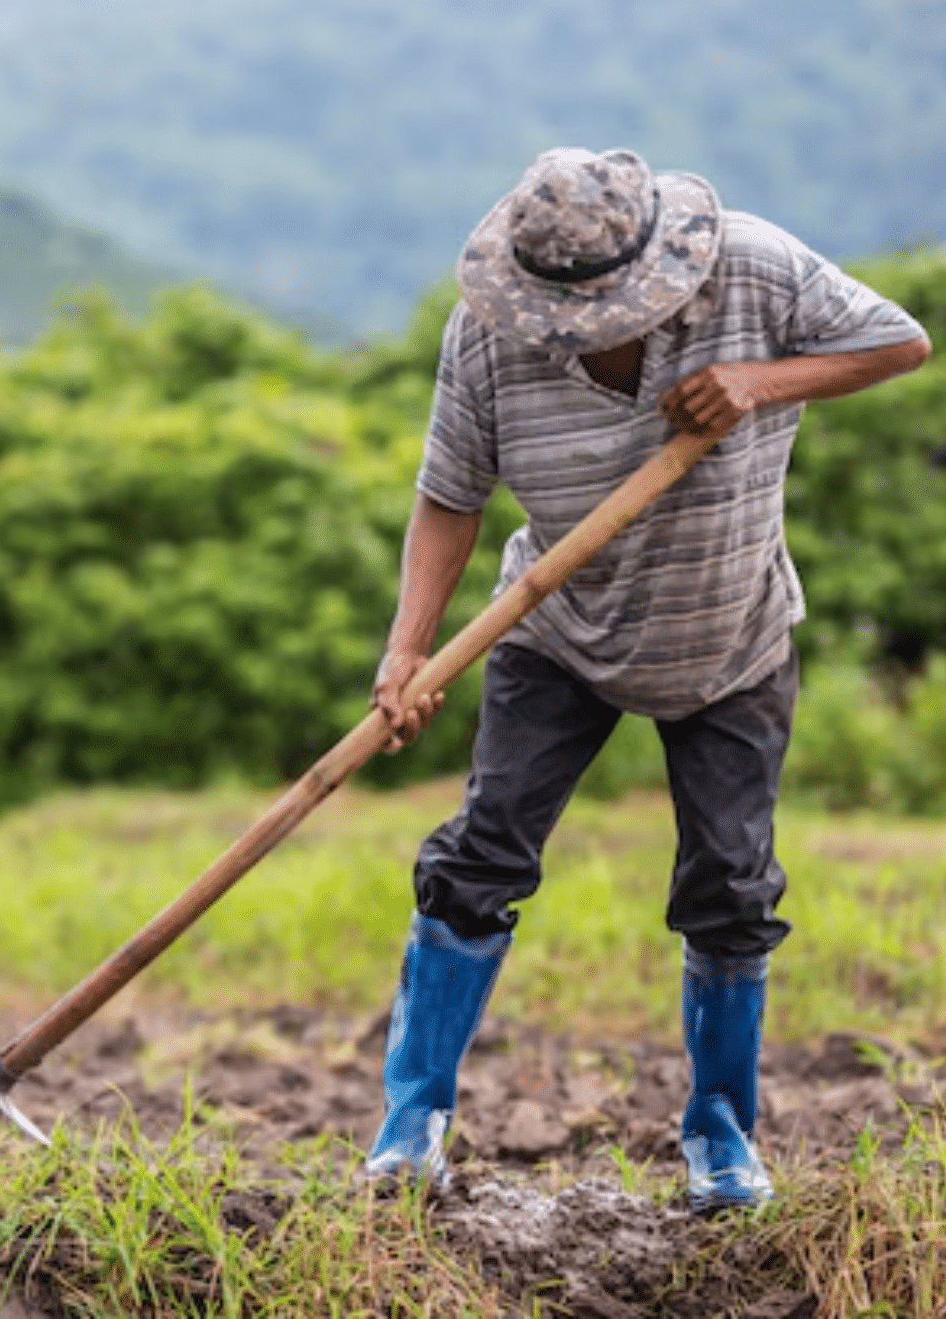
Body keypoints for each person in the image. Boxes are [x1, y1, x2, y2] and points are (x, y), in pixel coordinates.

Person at [366, 146, 932, 1211]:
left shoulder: (755, 270)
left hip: (732, 636)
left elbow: (899, 342)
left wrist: (761, 382)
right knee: (480, 856)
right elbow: (450, 497)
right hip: (556, 627)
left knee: (729, 885)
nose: (578, 333)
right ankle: (410, 1129)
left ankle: (722, 1143)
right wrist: (408, 651)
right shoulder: (489, 336)